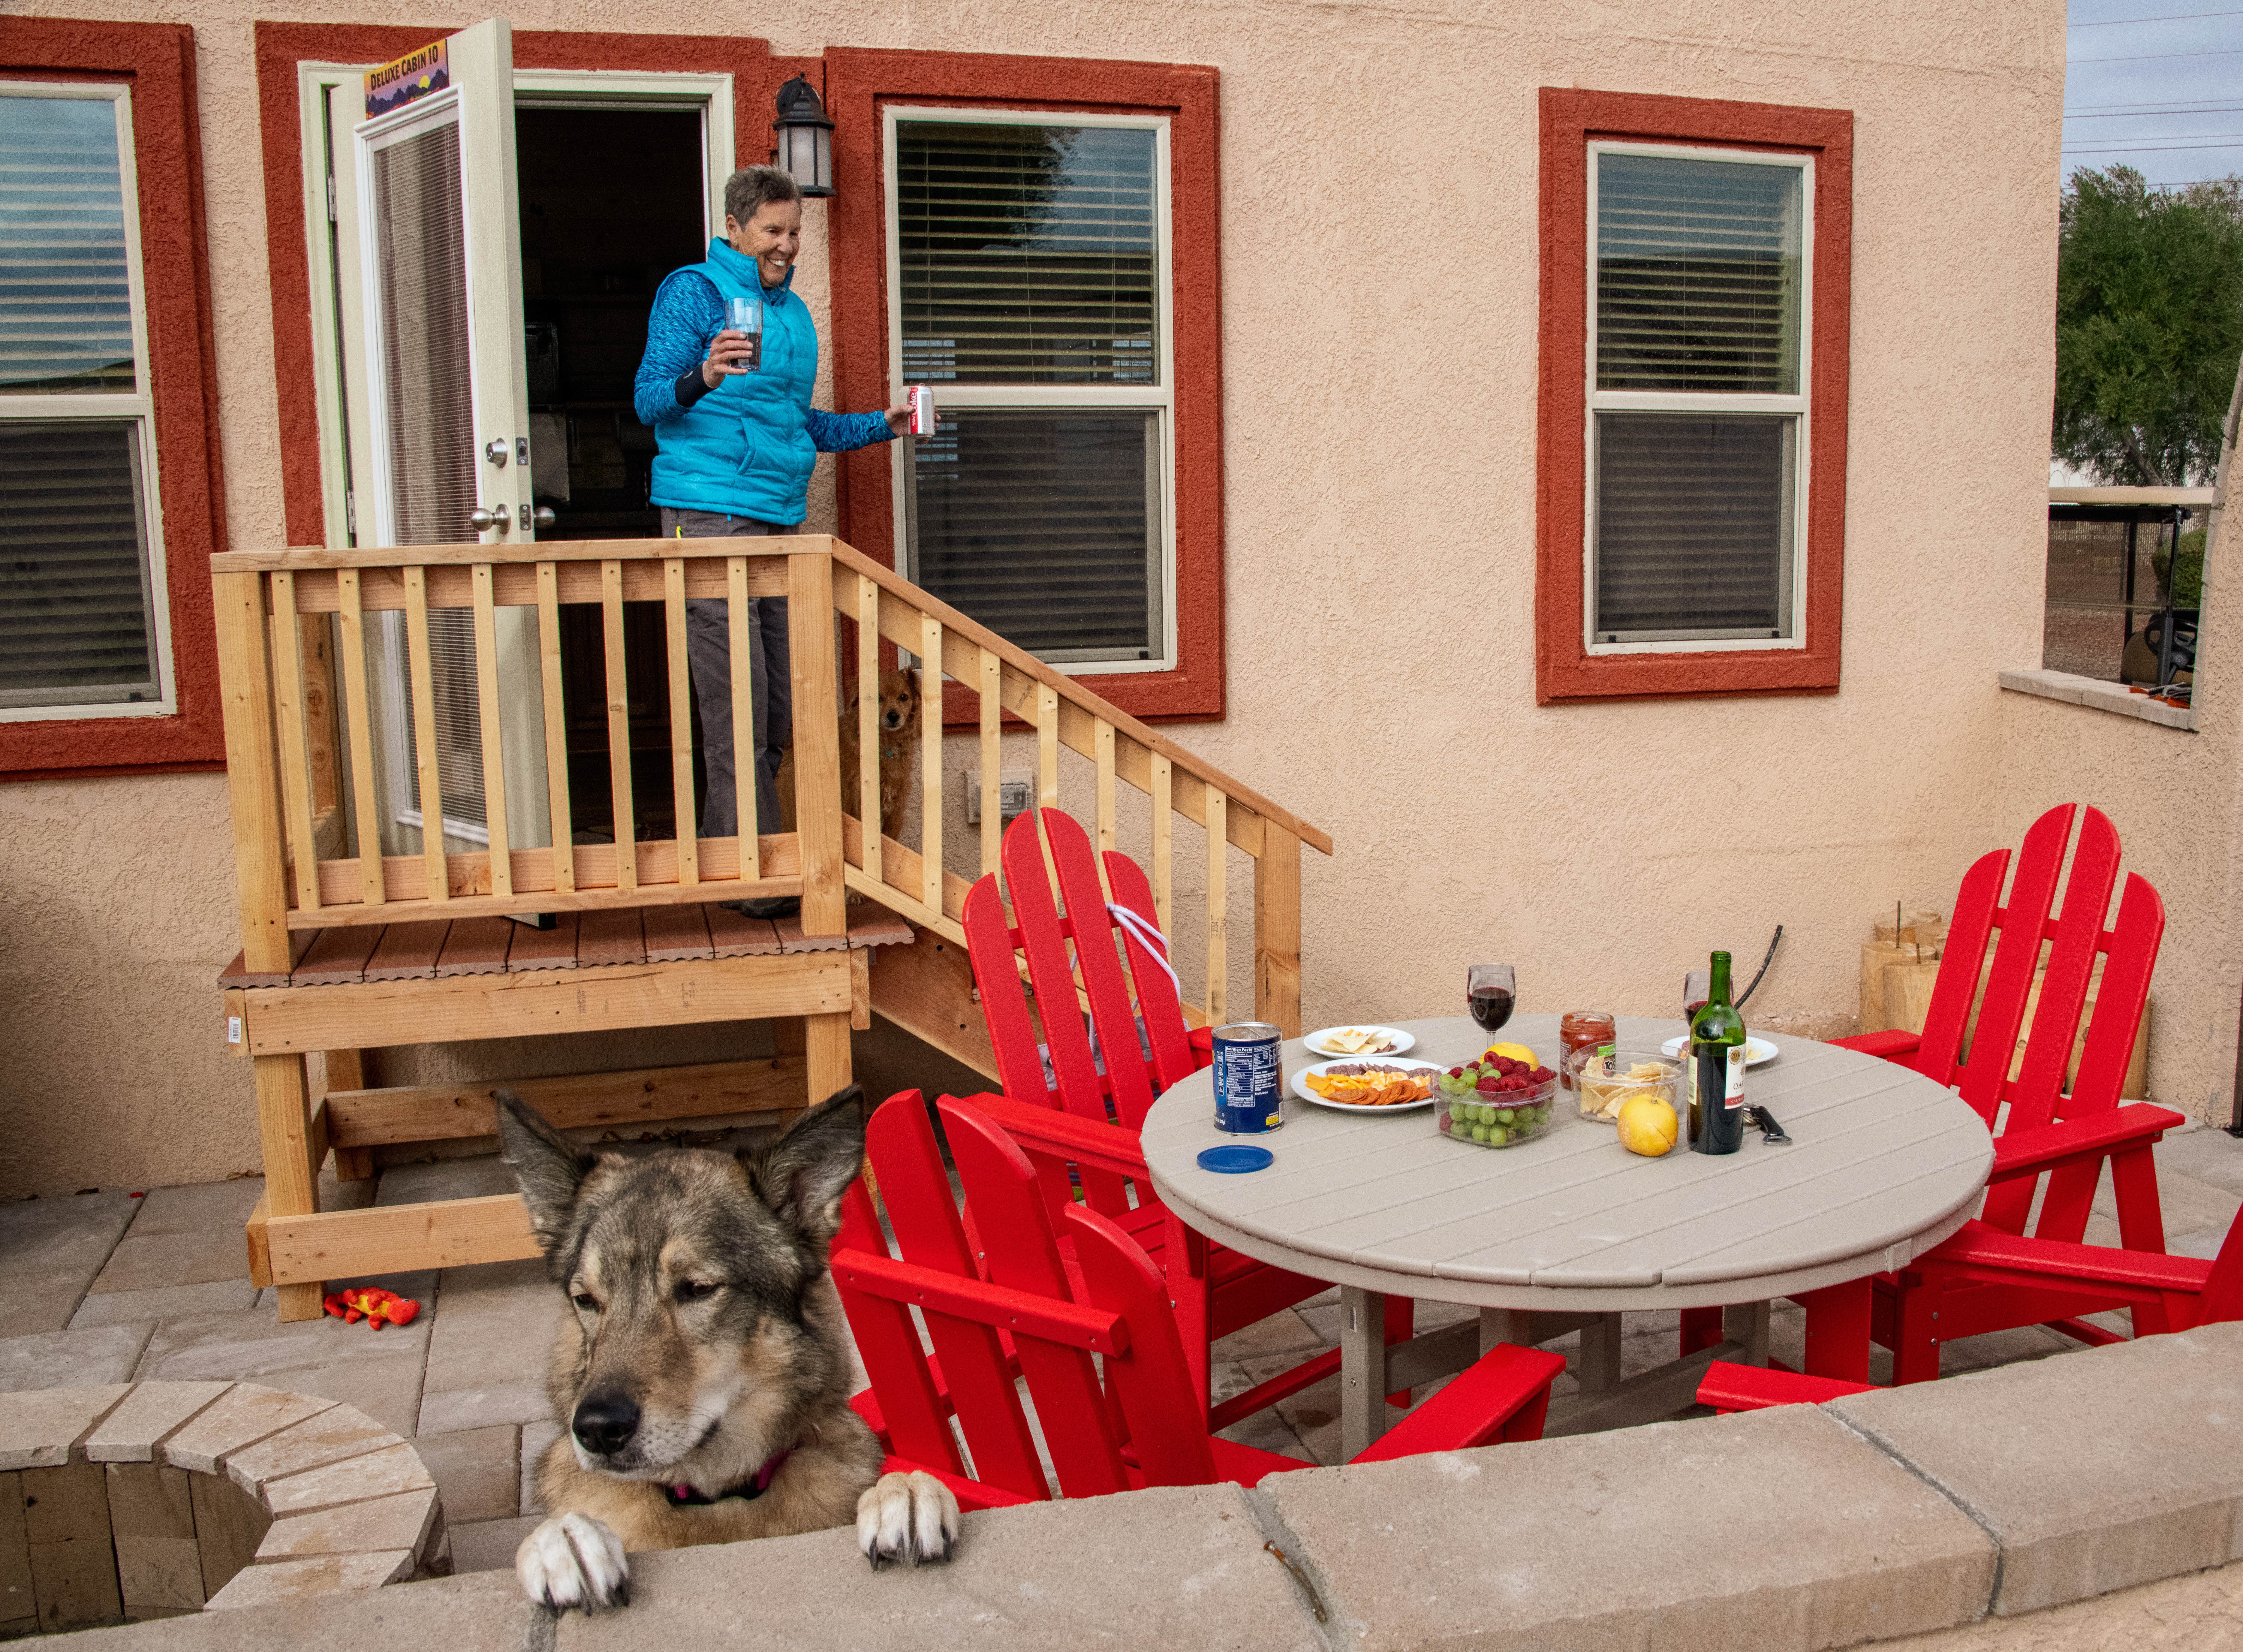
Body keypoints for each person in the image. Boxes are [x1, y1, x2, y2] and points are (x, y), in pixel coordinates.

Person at [633, 165, 905, 915]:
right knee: (737, 704)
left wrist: (882, 425)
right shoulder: (693, 291)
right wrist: (703, 376)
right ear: (735, 229)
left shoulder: (790, 316)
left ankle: (731, 853)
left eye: (794, 232)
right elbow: (650, 399)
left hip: (777, 516)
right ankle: (753, 883)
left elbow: (801, 425)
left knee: (779, 703)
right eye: (773, 231)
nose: (787, 244)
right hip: (709, 512)